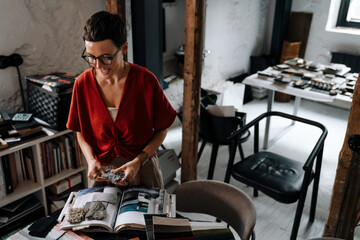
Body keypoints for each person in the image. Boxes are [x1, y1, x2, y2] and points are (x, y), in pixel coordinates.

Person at [66, 11, 177, 189]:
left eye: (106, 58)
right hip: (101, 171)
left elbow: (162, 129)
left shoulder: (145, 81)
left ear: (124, 49)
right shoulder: (82, 84)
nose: (98, 66)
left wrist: (139, 161)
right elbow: (80, 131)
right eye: (91, 57)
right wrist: (90, 160)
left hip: (142, 166)